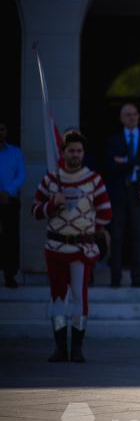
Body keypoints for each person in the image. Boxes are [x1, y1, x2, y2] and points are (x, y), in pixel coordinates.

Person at [31, 129, 112, 362]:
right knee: (57, 297)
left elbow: (106, 212)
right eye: (71, 151)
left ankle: (76, 348)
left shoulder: (94, 180)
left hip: (81, 249)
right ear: (63, 152)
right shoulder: (50, 180)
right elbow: (35, 211)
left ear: (83, 153)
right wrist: (52, 205)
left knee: (79, 296)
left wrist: (89, 228)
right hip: (55, 247)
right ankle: (59, 347)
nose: (75, 155)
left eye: (78, 151)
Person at [107, 102, 140, 287]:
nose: (132, 117)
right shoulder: (113, 141)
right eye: (127, 114)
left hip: (138, 193)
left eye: (134, 114)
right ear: (121, 118)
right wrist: (137, 160)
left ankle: (136, 277)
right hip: (118, 194)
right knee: (116, 236)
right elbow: (110, 165)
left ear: (138, 116)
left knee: (138, 236)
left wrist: (125, 161)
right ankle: (115, 277)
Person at [0, 122, 26, 288]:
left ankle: (10, 275)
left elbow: (21, 174)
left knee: (10, 238)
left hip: (9, 200)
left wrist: (8, 191)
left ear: (6, 131)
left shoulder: (16, 152)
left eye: (1, 129)